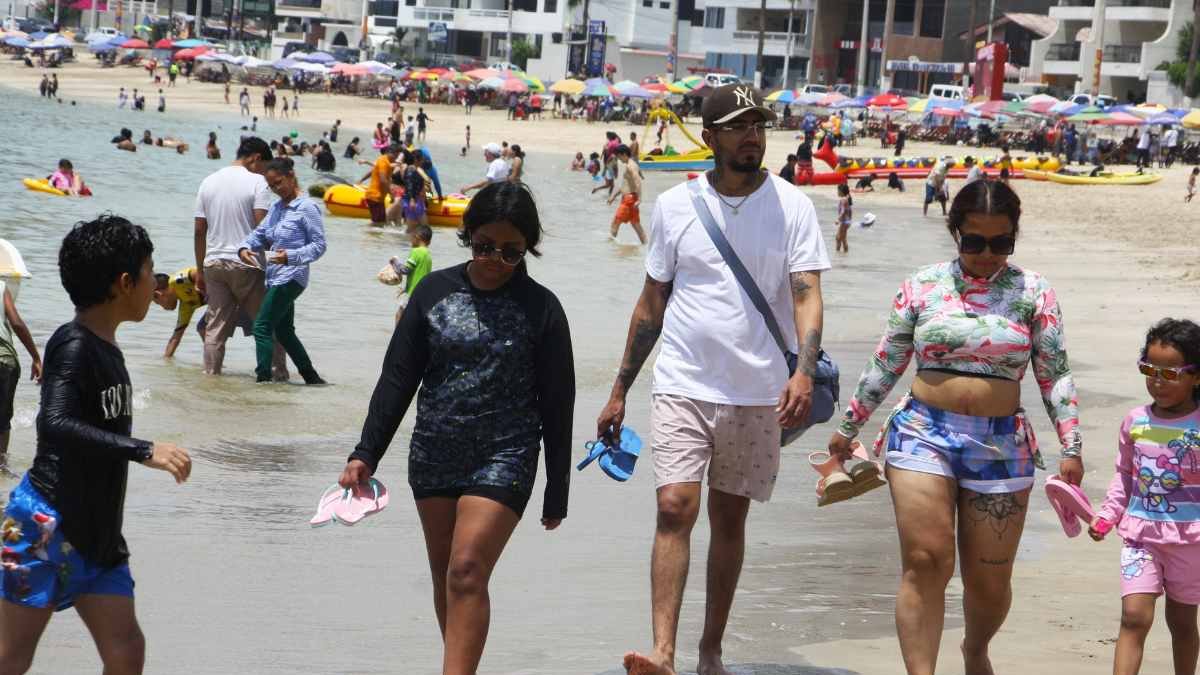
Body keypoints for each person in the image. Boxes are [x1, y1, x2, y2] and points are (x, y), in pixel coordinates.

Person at [598, 84, 828, 675]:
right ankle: (664, 653)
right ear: (711, 138)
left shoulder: (793, 206)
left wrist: (803, 371)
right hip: (682, 383)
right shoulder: (676, 206)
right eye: (738, 125)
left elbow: (807, 294)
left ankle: (710, 649)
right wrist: (620, 388)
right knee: (675, 507)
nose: (752, 134)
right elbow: (651, 304)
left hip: (759, 392)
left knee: (730, 520)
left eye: (758, 124)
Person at [828, 179, 1082, 675]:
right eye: (974, 241)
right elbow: (888, 359)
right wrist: (849, 424)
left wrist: (1070, 444)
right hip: (923, 433)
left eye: (1000, 243)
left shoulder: (1034, 292)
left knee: (989, 579)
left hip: (1002, 444)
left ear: (1013, 238)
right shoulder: (922, 285)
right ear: (955, 232)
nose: (986, 254)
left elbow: (1055, 372)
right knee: (926, 560)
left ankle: (975, 649)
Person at [341, 181, 574, 674]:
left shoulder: (543, 308)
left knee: (467, 569)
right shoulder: (433, 292)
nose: (495, 259)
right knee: (447, 574)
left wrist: (558, 487)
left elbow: (558, 402)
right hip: (435, 450)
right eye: (485, 245)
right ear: (468, 236)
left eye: (511, 252)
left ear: (527, 248)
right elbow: (398, 379)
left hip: (506, 455)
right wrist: (365, 452)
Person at [0, 215, 191, 675]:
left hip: (98, 535)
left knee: (126, 650)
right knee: (10, 657)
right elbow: (56, 421)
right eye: (151, 271)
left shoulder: (107, 346)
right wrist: (143, 449)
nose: (156, 282)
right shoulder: (74, 344)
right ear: (125, 283)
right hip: (45, 527)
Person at [1086, 318, 1200, 675]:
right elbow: (1124, 476)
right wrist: (1108, 514)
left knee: (1182, 624)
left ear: (1196, 376)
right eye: (1150, 369)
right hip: (1140, 536)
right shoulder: (1135, 421)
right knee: (1134, 617)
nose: (1157, 380)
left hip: (1191, 539)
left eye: (1170, 373)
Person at [193, 136, 289, 380]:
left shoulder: (208, 181)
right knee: (265, 323)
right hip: (246, 263)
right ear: (256, 159)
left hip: (214, 263)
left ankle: (211, 377)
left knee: (215, 329)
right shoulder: (258, 182)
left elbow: (199, 230)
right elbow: (262, 226)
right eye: (267, 167)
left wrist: (200, 271)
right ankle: (278, 376)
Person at [237, 158, 327, 385]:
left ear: (290, 176)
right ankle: (312, 378)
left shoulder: (307, 208)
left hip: (292, 277)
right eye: (271, 186)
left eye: (278, 183)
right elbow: (260, 233)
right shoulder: (276, 208)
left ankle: (263, 380)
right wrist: (244, 248)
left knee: (262, 326)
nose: (276, 189)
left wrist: (291, 256)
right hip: (274, 276)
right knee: (284, 331)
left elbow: (319, 246)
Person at [0, 281, 41, 476]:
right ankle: (1, 465)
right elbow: (16, 322)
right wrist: (35, 357)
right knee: (3, 419)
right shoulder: (0, 287)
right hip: (5, 361)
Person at [152, 268, 204, 358]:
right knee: (203, 328)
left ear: (158, 294)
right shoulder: (186, 306)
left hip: (228, 288)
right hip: (225, 303)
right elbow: (176, 337)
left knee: (203, 328)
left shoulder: (176, 281)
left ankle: (213, 367)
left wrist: (201, 285)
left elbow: (198, 272)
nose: (163, 308)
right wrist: (166, 360)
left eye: (158, 303)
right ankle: (215, 364)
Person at [388, 224, 432, 324]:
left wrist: (395, 262)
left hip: (414, 292)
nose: (410, 241)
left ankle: (397, 337)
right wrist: (405, 289)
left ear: (417, 237)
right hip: (423, 292)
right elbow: (421, 274)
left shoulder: (416, 252)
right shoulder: (428, 254)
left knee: (400, 313)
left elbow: (405, 270)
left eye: (411, 238)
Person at [607, 145, 647, 245]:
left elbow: (637, 181)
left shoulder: (631, 166)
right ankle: (647, 247)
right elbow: (625, 185)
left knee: (615, 223)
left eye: (619, 157)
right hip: (631, 199)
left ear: (624, 154)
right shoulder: (631, 164)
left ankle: (609, 250)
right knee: (637, 226)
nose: (619, 160)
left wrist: (640, 199)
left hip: (629, 200)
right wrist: (613, 196)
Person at [361, 144, 399, 226]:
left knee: (380, 223)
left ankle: (369, 235)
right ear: (391, 153)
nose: (396, 158)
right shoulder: (383, 161)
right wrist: (391, 194)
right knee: (378, 223)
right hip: (375, 197)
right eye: (396, 156)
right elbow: (383, 180)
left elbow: (379, 174)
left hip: (380, 198)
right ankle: (367, 236)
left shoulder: (388, 163)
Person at [397, 150, 432, 228]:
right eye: (422, 159)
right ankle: (401, 239)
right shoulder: (411, 170)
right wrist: (412, 199)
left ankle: (402, 238)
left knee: (420, 227)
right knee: (413, 228)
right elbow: (409, 185)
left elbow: (426, 187)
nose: (422, 161)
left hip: (418, 202)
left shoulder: (418, 171)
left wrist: (429, 198)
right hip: (412, 202)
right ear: (416, 159)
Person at [835, 182, 851, 253]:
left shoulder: (843, 200)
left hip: (844, 222)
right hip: (846, 221)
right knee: (843, 238)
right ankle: (844, 255)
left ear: (841, 191)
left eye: (838, 190)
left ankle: (838, 253)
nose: (837, 192)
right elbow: (849, 211)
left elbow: (843, 211)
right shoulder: (846, 198)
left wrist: (838, 219)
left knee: (838, 238)